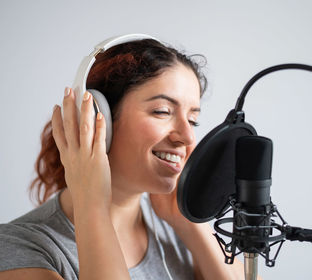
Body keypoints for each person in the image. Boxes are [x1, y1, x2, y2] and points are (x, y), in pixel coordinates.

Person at [0, 38, 247, 279]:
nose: (187, 136)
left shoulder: (175, 232)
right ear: (101, 119)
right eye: (162, 112)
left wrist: (188, 223)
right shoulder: (19, 248)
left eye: (193, 120)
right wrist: (93, 204)